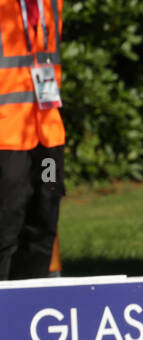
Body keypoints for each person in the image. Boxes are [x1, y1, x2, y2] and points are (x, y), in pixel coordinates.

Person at [0, 0, 64, 281]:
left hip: (47, 130)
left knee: (43, 220)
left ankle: (31, 307)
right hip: (6, 135)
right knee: (5, 226)